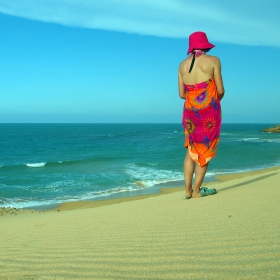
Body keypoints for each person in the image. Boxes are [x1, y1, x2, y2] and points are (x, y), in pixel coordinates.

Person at [178, 31, 225, 199]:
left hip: (190, 113)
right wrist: (208, 100)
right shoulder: (214, 61)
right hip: (208, 115)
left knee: (191, 150)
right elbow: (220, 91)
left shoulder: (182, 65)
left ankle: (187, 191)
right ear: (205, 45)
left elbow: (182, 95)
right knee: (204, 151)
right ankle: (197, 191)